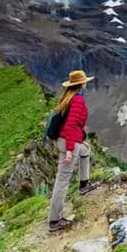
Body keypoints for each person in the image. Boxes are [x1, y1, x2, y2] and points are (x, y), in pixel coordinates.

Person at [49, 70, 96, 232]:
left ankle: (84, 184)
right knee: (62, 179)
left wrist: (81, 140)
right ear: (81, 84)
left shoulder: (67, 99)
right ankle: (55, 220)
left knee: (86, 151)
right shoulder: (77, 101)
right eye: (85, 81)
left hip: (67, 140)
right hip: (68, 143)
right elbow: (70, 126)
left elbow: (71, 125)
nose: (86, 83)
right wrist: (70, 150)